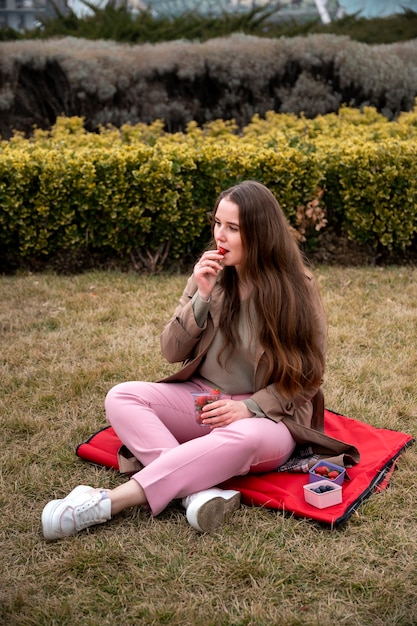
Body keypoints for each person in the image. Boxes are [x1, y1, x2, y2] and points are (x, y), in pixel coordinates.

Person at [41, 180, 358, 540]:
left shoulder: (298, 288)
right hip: (203, 400)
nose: (220, 236)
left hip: (269, 418)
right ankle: (196, 492)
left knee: (244, 439)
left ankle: (108, 502)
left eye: (233, 228)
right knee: (121, 396)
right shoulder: (208, 275)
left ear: (261, 233)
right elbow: (171, 352)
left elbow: (309, 377)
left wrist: (250, 407)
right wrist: (201, 297)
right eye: (217, 223)